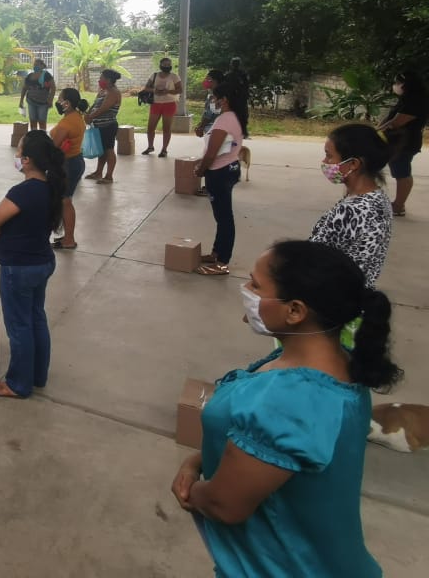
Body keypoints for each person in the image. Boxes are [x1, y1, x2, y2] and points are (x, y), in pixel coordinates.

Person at [170, 240, 401, 578]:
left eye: (255, 285)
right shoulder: (333, 365)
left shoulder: (289, 403)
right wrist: (197, 461)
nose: (246, 291)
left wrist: (193, 489)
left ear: (295, 311)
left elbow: (225, 504)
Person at [0, 131, 64, 399]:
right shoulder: (50, 187)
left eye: (19, 153)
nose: (16, 157)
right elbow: (14, 221)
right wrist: (0, 226)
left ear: (28, 160)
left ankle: (17, 384)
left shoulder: (23, 192)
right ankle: (37, 375)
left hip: (18, 268)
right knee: (35, 318)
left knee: (19, 326)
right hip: (41, 262)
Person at [312, 124, 393, 289]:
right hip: (356, 294)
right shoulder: (379, 198)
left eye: (329, 156)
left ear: (353, 164)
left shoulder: (353, 209)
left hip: (334, 297)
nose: (324, 162)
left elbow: (317, 259)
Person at [194, 81, 243, 276]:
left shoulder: (225, 120)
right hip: (229, 167)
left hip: (220, 172)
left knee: (224, 218)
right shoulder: (232, 117)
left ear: (225, 100)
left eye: (215, 97)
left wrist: (201, 168)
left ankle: (222, 262)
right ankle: (217, 253)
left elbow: (212, 152)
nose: (213, 100)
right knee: (222, 216)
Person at [377, 69, 428, 217]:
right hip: (397, 141)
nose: (396, 85)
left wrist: (375, 133)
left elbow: (395, 123)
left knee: (402, 173)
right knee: (399, 170)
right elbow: (389, 118)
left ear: (407, 84)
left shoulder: (416, 102)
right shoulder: (406, 99)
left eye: (398, 82)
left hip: (405, 143)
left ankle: (398, 205)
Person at [49, 88, 88, 250]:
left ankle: (69, 240)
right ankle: (68, 236)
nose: (58, 102)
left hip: (68, 164)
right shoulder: (76, 116)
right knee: (65, 200)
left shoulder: (67, 123)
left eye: (60, 99)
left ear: (68, 103)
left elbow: (54, 147)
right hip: (75, 160)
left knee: (65, 201)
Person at [192, 69, 228, 197]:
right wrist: (201, 126)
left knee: (212, 158)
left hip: (217, 131)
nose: (206, 82)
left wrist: (201, 126)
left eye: (208, 79)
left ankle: (210, 187)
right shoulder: (212, 94)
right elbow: (207, 113)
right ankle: (217, 186)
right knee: (218, 158)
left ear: (215, 81)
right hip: (214, 130)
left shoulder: (220, 95)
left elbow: (211, 114)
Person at [83, 69, 121, 184]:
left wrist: (91, 116)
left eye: (101, 78)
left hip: (108, 125)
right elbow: (95, 105)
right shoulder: (102, 91)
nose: (99, 80)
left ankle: (109, 176)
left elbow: (103, 108)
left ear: (108, 80)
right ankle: (98, 172)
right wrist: (88, 114)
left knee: (108, 149)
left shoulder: (114, 92)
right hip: (98, 125)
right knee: (102, 150)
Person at [142, 56, 181, 157]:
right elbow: (146, 88)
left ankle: (164, 149)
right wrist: (155, 91)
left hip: (170, 103)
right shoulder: (154, 75)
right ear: (160, 65)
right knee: (150, 127)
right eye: (165, 64)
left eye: (169, 64)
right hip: (156, 103)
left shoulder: (174, 76)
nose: (167, 66)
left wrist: (167, 91)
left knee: (166, 128)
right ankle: (150, 146)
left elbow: (179, 90)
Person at [19, 59, 55, 131]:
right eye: (34, 65)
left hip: (43, 102)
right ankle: (34, 137)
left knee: (42, 121)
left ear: (42, 66)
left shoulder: (47, 75)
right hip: (31, 102)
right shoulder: (29, 76)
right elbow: (24, 88)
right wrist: (21, 100)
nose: (35, 66)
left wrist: (50, 100)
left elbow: (53, 88)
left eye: (37, 64)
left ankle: (42, 137)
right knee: (33, 121)